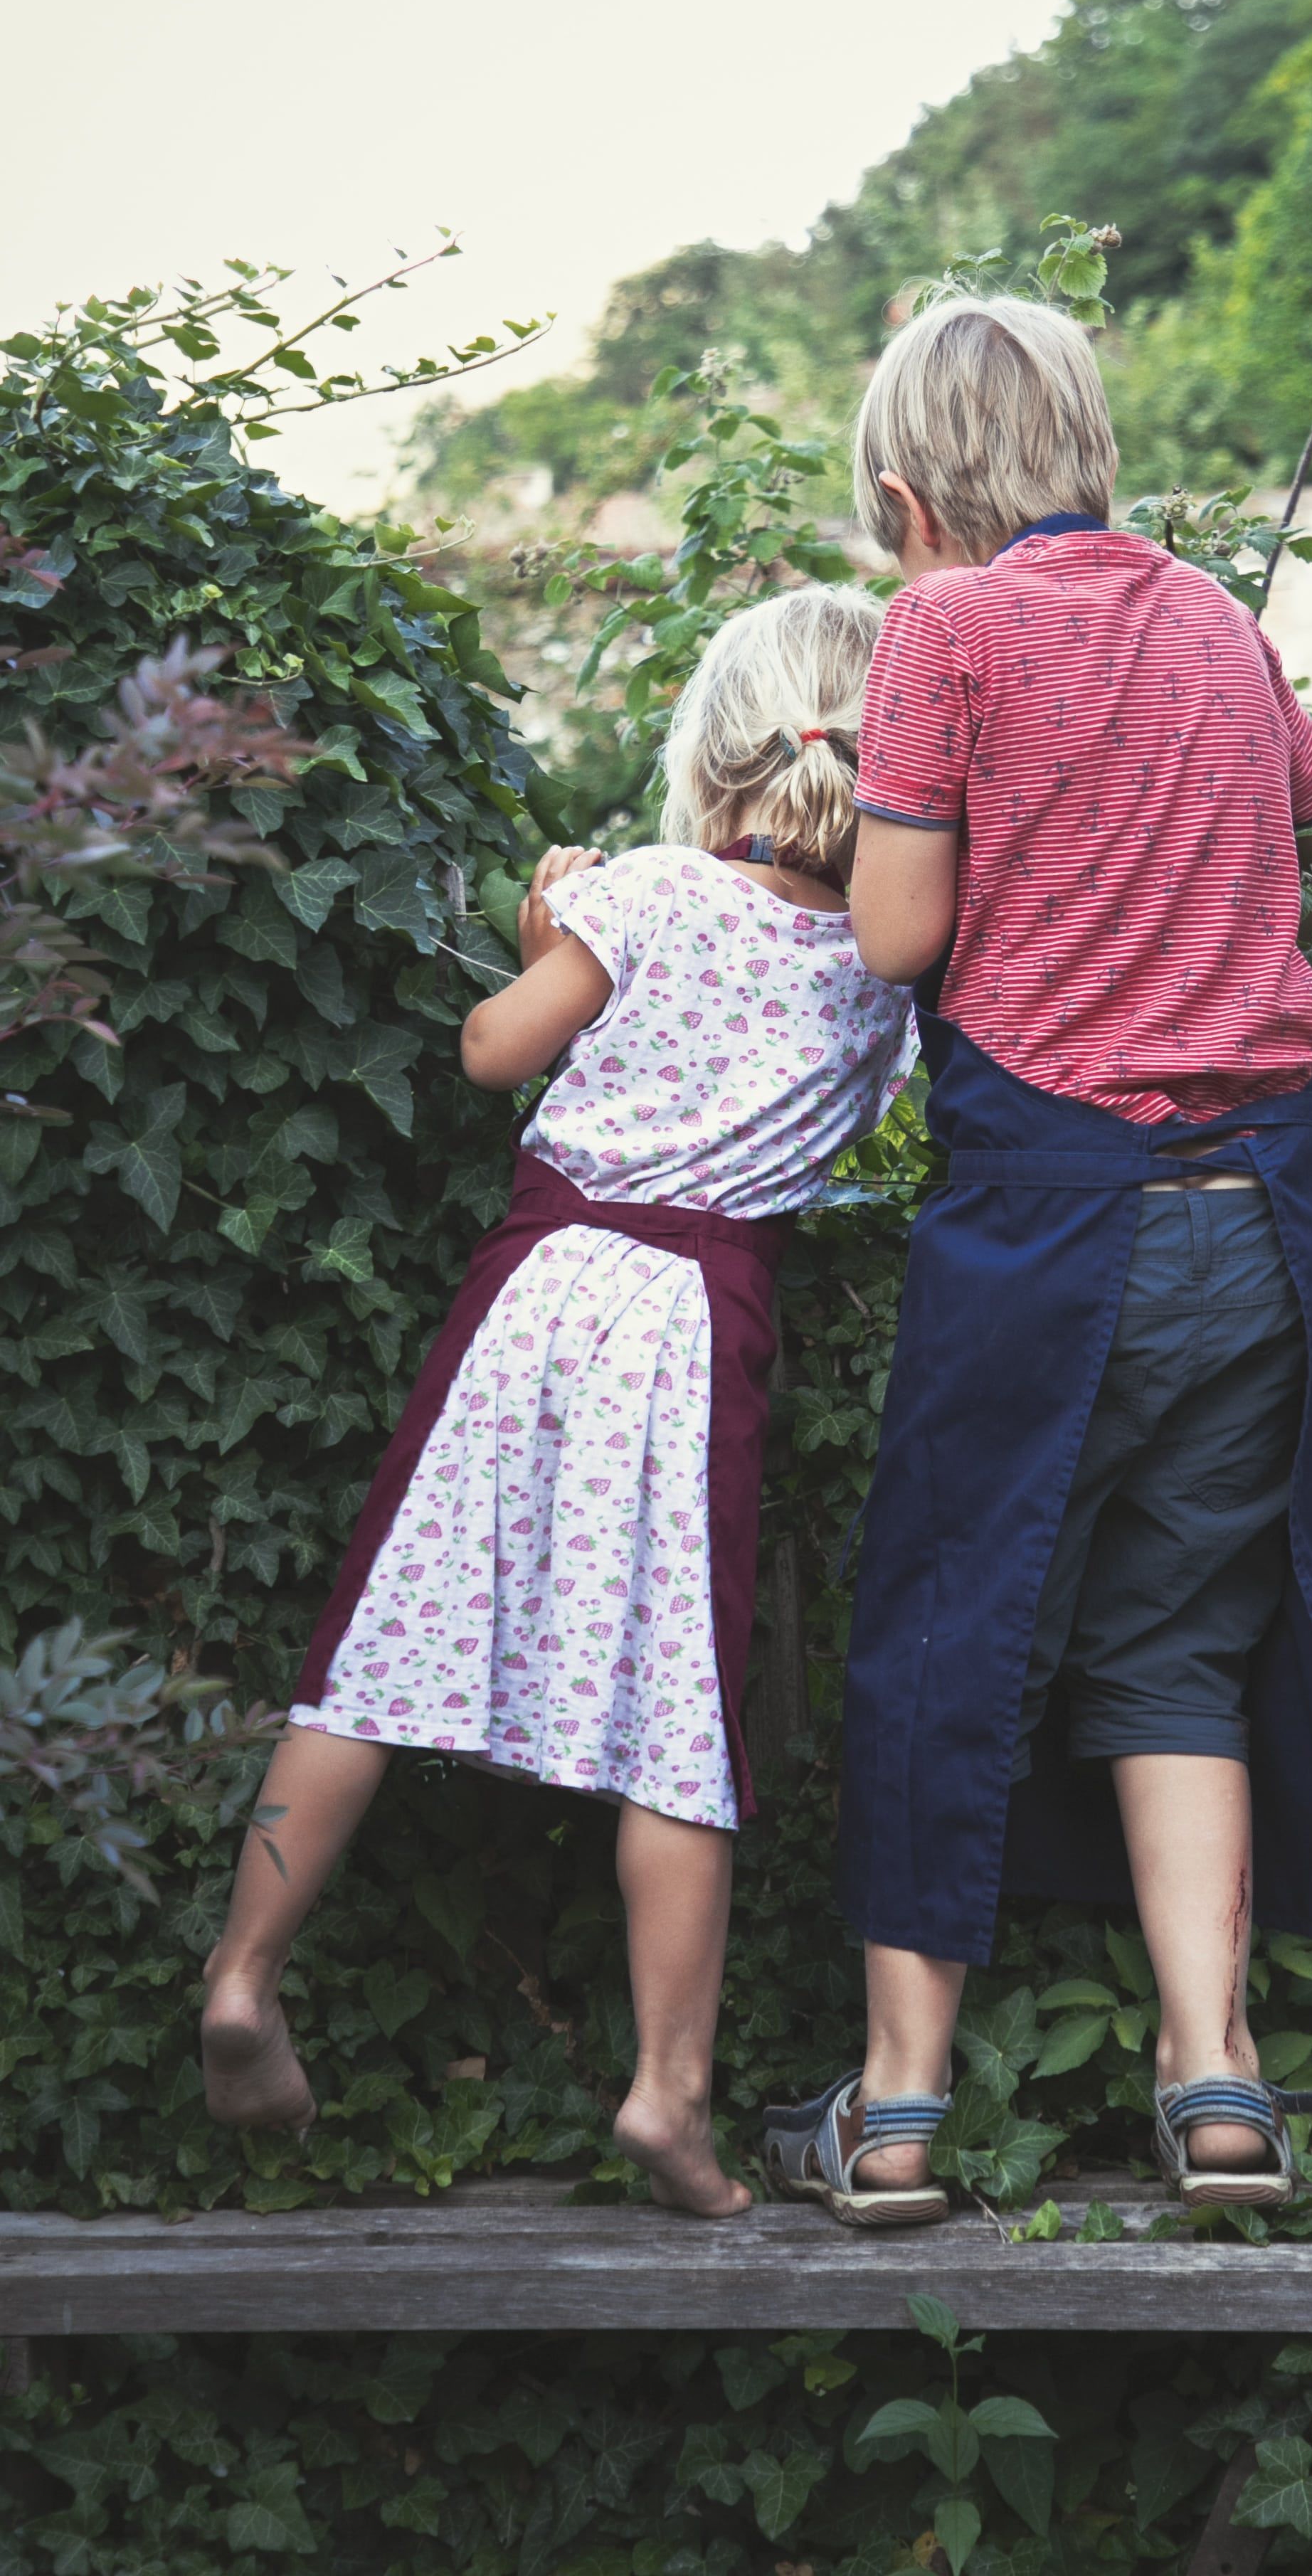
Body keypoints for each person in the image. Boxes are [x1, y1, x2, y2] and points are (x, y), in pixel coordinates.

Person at [763, 294, 1312, 2231]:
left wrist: (876, 772)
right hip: (1257, 1221)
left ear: (901, 497)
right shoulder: (1209, 614)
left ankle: (893, 2111)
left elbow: (888, 936)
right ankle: (1216, 2087)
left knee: (948, 1628)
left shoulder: (939, 629)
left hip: (1051, 1220)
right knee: (1173, 1646)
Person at [199, 585, 914, 2218]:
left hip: (538, 1297)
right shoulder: (882, 973)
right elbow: (845, 1137)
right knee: (679, 1718)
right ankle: (668, 2095)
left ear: (716, 756)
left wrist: (540, 950)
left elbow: (487, 1053)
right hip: (696, 1323)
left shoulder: (646, 893)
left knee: (380, 1649)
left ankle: (245, 1972)